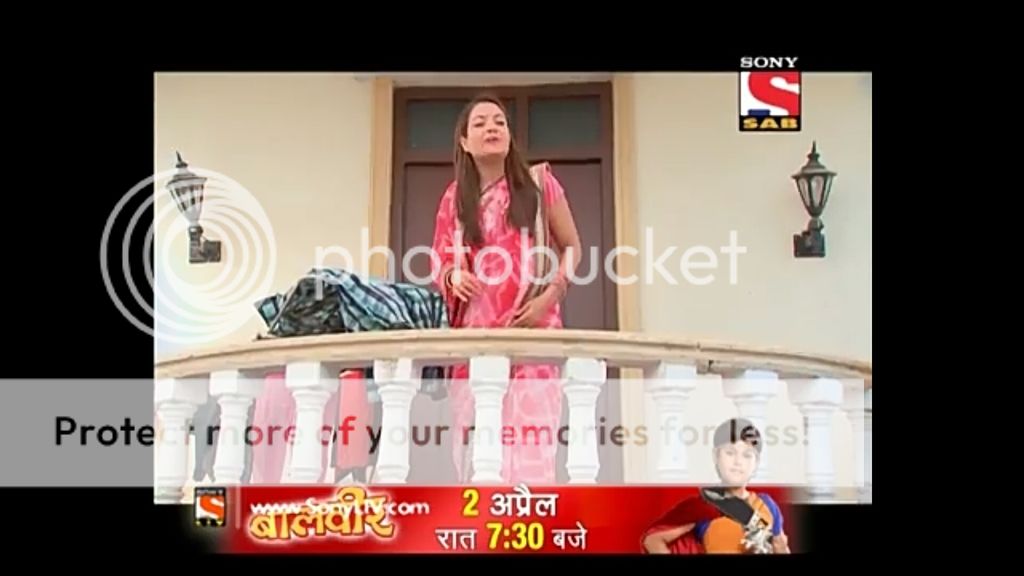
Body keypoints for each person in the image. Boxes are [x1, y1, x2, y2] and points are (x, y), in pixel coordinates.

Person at [431, 93, 582, 484]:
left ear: (510, 136)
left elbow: (572, 247)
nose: (492, 128)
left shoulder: (539, 184)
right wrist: (453, 277)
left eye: (499, 121)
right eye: (480, 123)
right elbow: (440, 260)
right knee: (478, 450)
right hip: (475, 341)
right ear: (464, 142)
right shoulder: (453, 198)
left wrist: (550, 296)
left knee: (530, 442)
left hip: (533, 333)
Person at [641, 418, 791, 554]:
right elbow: (652, 541)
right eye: (730, 452)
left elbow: (780, 546)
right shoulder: (701, 506)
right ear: (716, 456)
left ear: (756, 463)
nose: (738, 461)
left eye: (747, 455)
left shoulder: (767, 505)